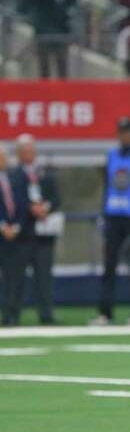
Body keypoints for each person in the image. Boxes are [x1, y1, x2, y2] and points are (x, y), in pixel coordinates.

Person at [91, 117, 130, 326]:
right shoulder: (111, 155)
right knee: (108, 266)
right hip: (113, 216)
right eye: (121, 131)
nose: (125, 135)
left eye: (128, 131)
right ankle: (105, 313)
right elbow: (108, 187)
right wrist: (103, 213)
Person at [16, 134, 61, 325]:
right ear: (18, 153)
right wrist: (29, 207)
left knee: (44, 276)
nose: (29, 153)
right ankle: (12, 315)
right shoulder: (12, 174)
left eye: (31, 149)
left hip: (44, 233)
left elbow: (56, 198)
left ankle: (46, 314)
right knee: (15, 277)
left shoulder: (45, 173)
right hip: (21, 234)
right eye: (24, 150)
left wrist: (45, 208)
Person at [0, 145, 28, 326]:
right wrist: (2, 226)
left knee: (15, 277)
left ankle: (12, 315)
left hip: (16, 235)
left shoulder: (17, 176)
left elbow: (23, 203)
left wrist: (16, 227)